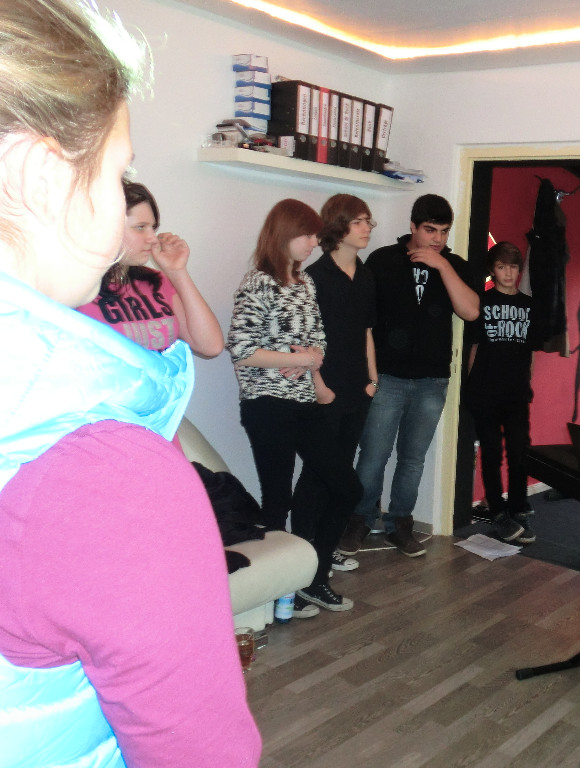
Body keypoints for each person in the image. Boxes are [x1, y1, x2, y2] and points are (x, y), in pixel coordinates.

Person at [0, 1, 260, 765]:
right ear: (43, 176)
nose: (124, 217)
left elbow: (207, 344)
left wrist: (177, 271)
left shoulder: (150, 289)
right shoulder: (104, 479)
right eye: (119, 174)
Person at [226, 198, 352, 614]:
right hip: (266, 405)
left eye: (316, 236)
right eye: (308, 235)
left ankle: (313, 578)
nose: (314, 243)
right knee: (277, 499)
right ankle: (278, 594)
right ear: (285, 234)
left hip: (303, 402)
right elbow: (242, 350)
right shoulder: (257, 282)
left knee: (347, 487)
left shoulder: (305, 282)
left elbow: (319, 339)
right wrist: (298, 359)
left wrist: (312, 359)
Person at [338, 194, 480, 558]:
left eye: (444, 232)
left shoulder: (455, 265)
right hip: (387, 377)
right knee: (373, 455)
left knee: (413, 458)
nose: (437, 238)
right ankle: (359, 519)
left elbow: (470, 312)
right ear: (413, 226)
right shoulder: (383, 260)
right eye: (430, 230)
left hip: (433, 380)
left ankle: (400, 523)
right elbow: (363, 322)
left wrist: (442, 265)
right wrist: (368, 375)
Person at [291, 194, 378, 572]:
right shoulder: (314, 278)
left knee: (342, 472)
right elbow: (302, 340)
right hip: (323, 392)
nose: (367, 228)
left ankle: (326, 548)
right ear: (338, 227)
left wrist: (373, 380)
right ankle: (303, 551)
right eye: (359, 221)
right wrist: (319, 386)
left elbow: (367, 331)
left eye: (368, 222)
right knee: (317, 474)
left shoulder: (366, 275)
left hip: (359, 390)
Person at [78, 180, 224, 356]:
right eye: (140, 228)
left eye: (153, 228)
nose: (153, 239)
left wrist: (177, 271)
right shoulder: (75, 289)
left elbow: (210, 346)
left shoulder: (156, 282)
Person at [465, 242, 541, 544]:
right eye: (501, 267)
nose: (508, 273)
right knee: (492, 451)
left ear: (519, 269)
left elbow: (530, 351)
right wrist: (469, 386)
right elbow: (474, 347)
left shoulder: (529, 305)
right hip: (484, 390)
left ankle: (519, 507)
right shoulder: (481, 302)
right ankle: (497, 511)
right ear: (492, 270)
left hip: (516, 392)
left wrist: (527, 383)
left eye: (512, 267)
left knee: (520, 450)